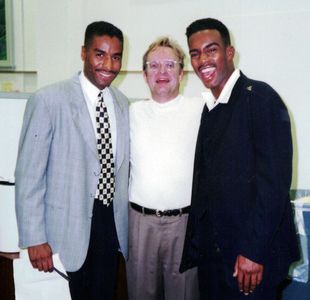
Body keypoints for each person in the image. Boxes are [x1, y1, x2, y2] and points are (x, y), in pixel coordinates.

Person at [180, 18, 300, 300]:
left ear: (230, 52)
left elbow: (274, 184)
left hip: (249, 261)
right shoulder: (211, 107)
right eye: (195, 54)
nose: (203, 60)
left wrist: (253, 252)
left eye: (211, 50)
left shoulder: (260, 98)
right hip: (215, 258)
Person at [15, 21, 129, 300]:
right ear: (83, 53)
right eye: (99, 54)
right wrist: (34, 238)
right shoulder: (48, 100)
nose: (108, 64)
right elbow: (29, 175)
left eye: (116, 57)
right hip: (61, 234)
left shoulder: (123, 103)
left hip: (108, 230)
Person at [127, 37, 204, 300]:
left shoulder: (200, 107)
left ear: (182, 73)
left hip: (183, 224)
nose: (162, 72)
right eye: (154, 65)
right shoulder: (131, 112)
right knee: (139, 294)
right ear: (144, 74)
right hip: (139, 224)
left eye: (170, 65)